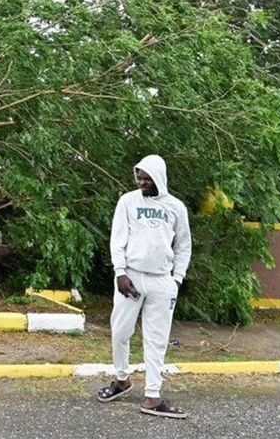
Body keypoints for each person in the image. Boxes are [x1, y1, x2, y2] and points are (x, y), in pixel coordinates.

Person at [97, 154, 192, 419]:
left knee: (156, 339)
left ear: (159, 178)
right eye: (139, 177)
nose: (142, 182)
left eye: (147, 178)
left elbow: (183, 245)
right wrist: (120, 271)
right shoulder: (128, 201)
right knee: (120, 331)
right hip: (131, 277)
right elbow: (117, 239)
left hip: (162, 281)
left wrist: (176, 280)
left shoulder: (176, 207)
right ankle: (121, 379)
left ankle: (152, 396)